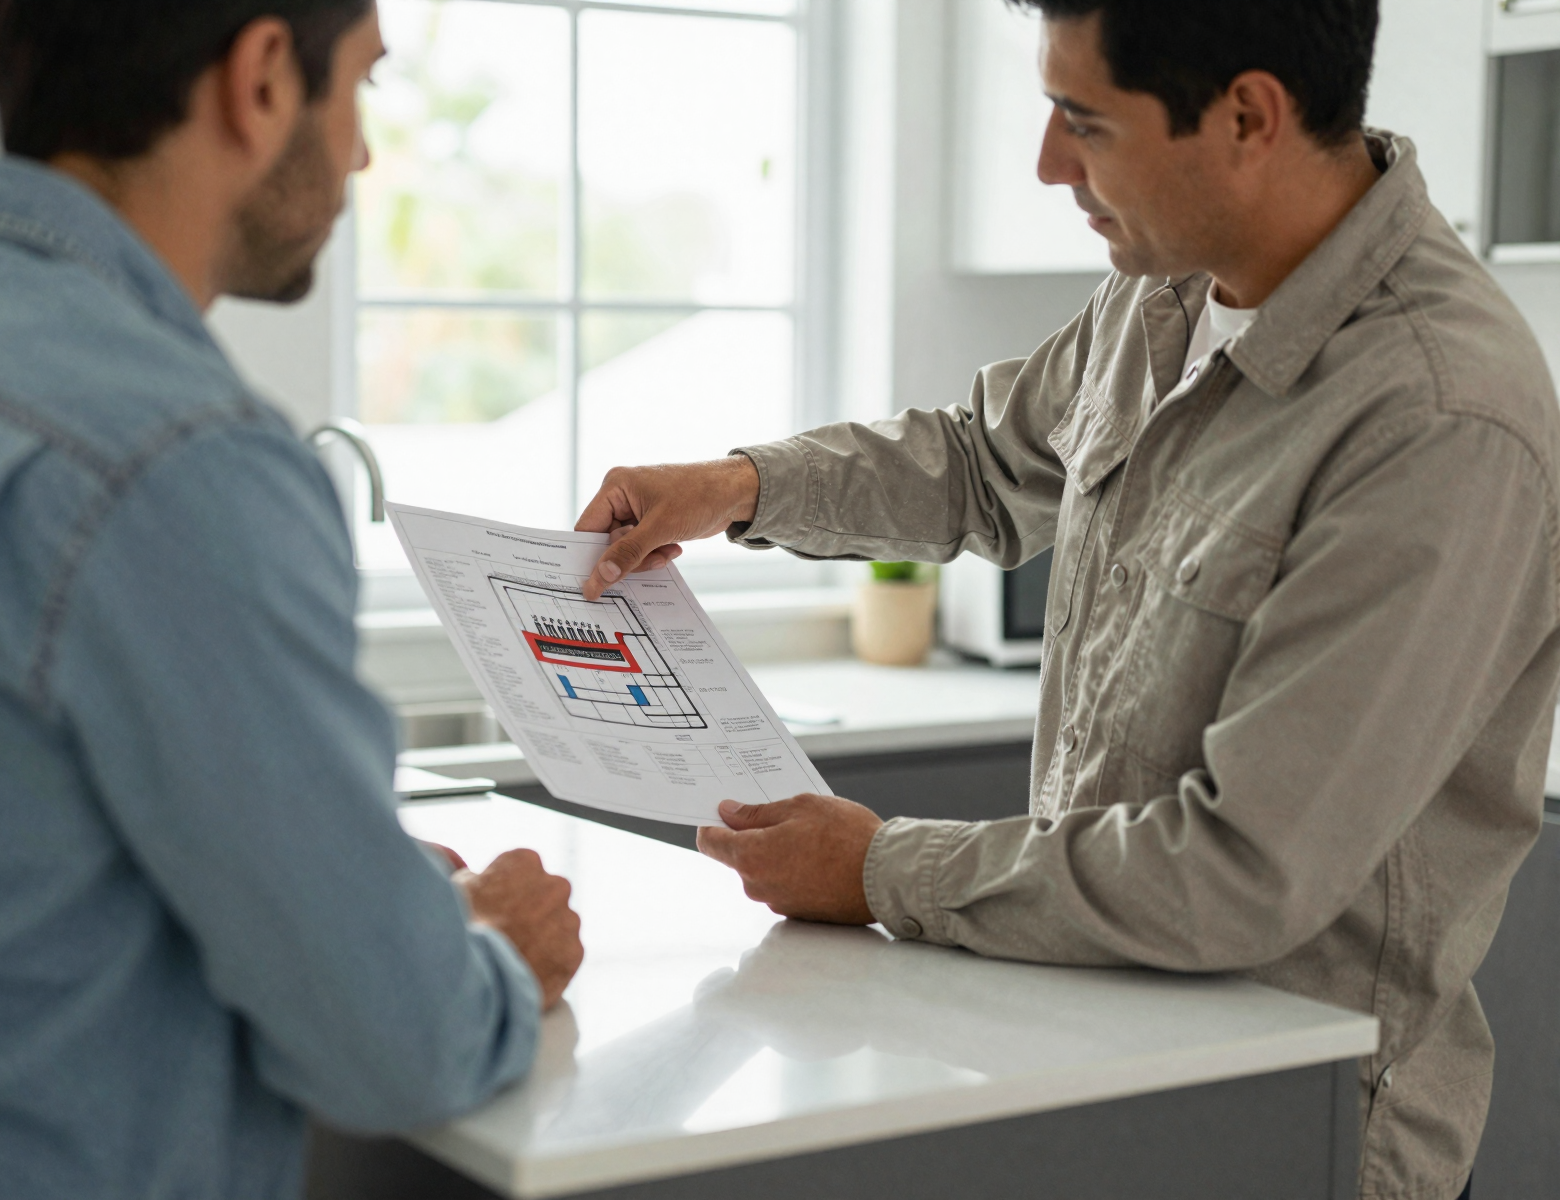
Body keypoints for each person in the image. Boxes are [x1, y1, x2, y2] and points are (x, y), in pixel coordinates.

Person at [574, 2, 1559, 1197]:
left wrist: (884, 870)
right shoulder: (1167, 291)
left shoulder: (1438, 419)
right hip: (1109, 1072)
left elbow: (1240, 872)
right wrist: (738, 487)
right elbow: (984, 461)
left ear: (1247, 116)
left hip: (1300, 1135)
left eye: (1082, 121)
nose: (1047, 164)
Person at [0, 3, 582, 1198]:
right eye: (359, 87)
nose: (356, 152)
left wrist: (339, 873)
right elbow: (394, 1044)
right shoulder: (175, 459)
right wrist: (489, 951)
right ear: (259, 80)